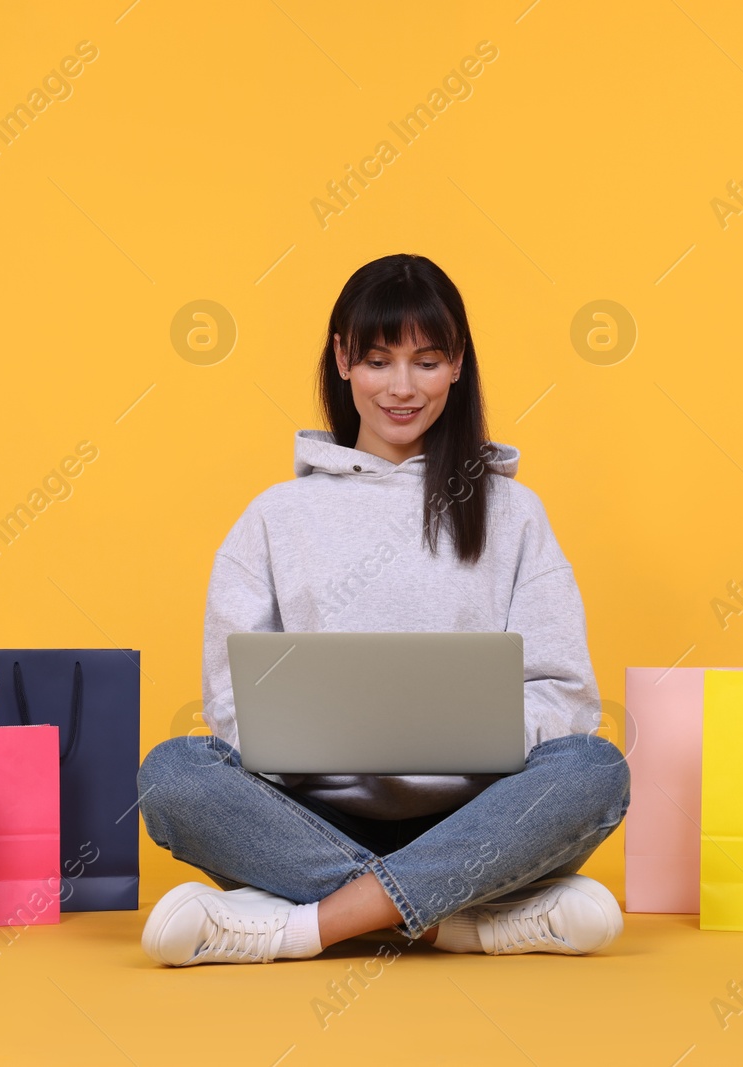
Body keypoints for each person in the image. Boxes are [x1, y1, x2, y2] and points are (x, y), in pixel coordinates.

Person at [136, 253, 631, 965]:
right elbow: (234, 704)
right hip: (309, 816)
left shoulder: (515, 514)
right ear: (342, 359)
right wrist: (328, 740)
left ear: (458, 364)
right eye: (377, 360)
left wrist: (466, 732)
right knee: (174, 775)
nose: (402, 387)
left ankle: (304, 925)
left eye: (427, 362)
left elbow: (567, 697)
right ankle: (457, 919)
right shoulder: (276, 517)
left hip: (480, 817)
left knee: (595, 769)